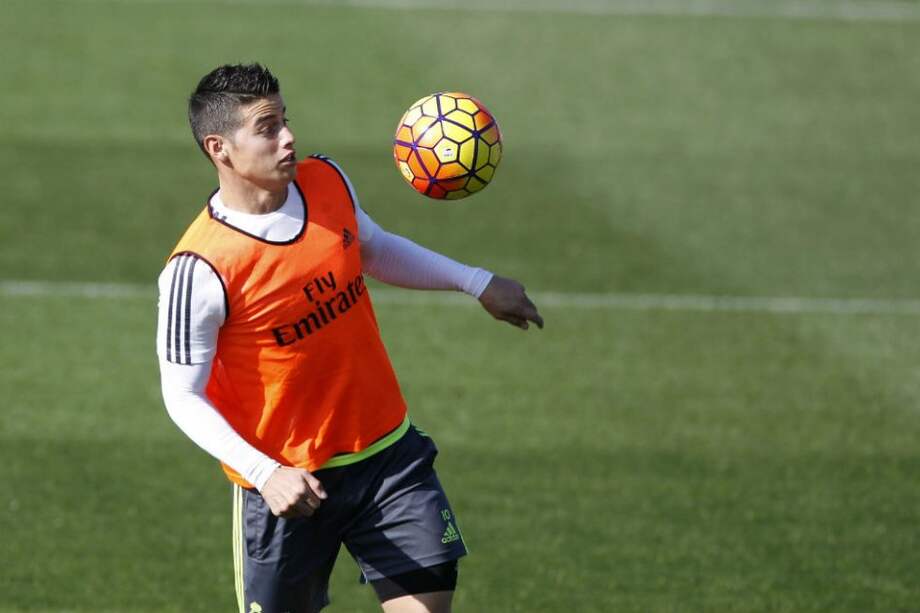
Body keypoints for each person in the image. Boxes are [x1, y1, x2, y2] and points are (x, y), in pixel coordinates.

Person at [156, 63, 543, 613]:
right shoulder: (199, 268)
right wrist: (267, 475)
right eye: (267, 128)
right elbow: (182, 395)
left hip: (387, 458)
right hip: (288, 488)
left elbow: (373, 248)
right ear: (219, 147)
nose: (288, 136)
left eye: (286, 120)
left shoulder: (325, 180)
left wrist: (476, 282)